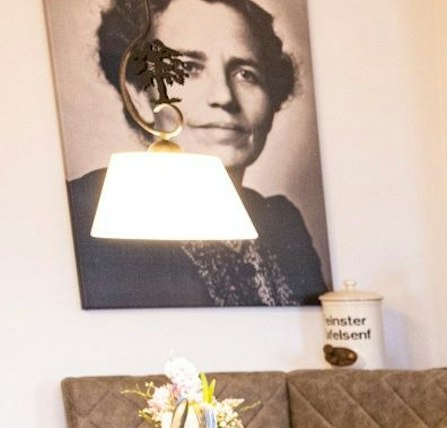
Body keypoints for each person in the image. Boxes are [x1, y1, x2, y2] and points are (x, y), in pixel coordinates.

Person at [66, 0, 327, 308]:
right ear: (137, 94)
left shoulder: (281, 223)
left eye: (246, 73)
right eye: (188, 69)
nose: (224, 97)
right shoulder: (84, 210)